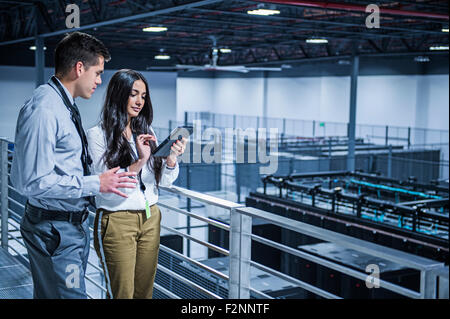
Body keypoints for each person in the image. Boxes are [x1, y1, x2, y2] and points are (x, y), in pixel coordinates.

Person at [10, 32, 138, 299]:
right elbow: (30, 182)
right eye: (98, 72)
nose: (99, 81)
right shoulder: (45, 109)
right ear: (79, 68)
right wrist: (96, 183)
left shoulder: (62, 103)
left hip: (65, 228)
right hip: (55, 231)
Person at [86, 69, 187, 299]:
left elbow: (164, 181)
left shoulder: (145, 130)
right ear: (119, 94)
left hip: (150, 218)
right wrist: (140, 160)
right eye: (134, 94)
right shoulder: (97, 135)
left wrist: (171, 159)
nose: (140, 101)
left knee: (144, 293)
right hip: (118, 220)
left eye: (143, 95)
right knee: (122, 294)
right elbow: (109, 189)